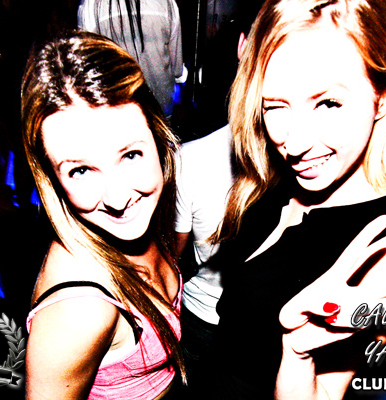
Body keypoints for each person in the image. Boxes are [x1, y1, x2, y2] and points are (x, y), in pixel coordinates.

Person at [210, 0, 386, 398]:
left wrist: (298, 352)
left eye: (328, 103)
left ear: (385, 92)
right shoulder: (281, 178)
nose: (294, 144)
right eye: (275, 106)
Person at [21, 31, 185, 399]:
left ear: (158, 138)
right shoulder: (81, 310)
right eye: (80, 170)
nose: (118, 198)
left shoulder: (142, 219)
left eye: (131, 155)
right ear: (52, 178)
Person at [174, 2, 263, 395]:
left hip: (210, 323)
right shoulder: (316, 167)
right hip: (246, 334)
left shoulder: (191, 159)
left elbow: (171, 258)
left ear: (242, 46)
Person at [77, 0, 183, 116]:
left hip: (116, 107)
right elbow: (177, 69)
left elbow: (87, 66)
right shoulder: (166, 2)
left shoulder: (91, 6)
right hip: (160, 105)